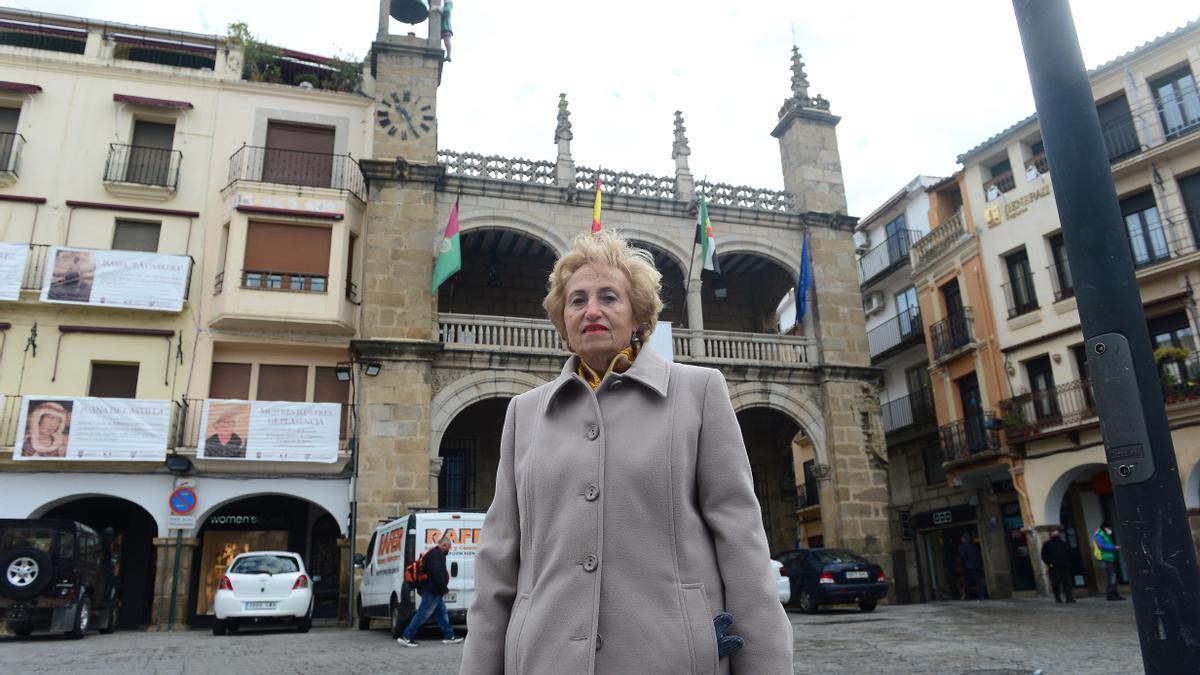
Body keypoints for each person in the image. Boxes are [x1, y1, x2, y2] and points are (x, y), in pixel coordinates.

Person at [460, 230, 792, 674]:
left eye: (609, 297)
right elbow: (498, 563)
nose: (591, 310)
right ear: (562, 320)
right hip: (545, 660)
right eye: (577, 300)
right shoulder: (524, 414)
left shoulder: (699, 393)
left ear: (639, 315)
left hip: (669, 659)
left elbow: (742, 546)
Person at [397, 535, 463, 647]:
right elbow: (438, 574)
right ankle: (406, 636)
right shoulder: (437, 555)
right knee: (423, 613)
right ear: (444, 545)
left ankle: (449, 635)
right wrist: (444, 588)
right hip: (432, 590)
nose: (449, 550)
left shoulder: (434, 553)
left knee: (441, 612)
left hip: (432, 589)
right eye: (448, 547)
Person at [1040, 528, 1074, 603]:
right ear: (1051, 535)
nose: (1055, 535)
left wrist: (1068, 563)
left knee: (1066, 582)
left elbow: (1070, 554)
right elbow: (1044, 556)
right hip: (1054, 567)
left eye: (1057, 533)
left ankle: (1069, 598)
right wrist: (1049, 564)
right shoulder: (1047, 544)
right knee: (1055, 583)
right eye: (1054, 533)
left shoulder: (1064, 543)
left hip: (1064, 566)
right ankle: (1057, 598)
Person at [1093, 521, 1124, 601]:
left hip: (1110, 558)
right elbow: (1101, 546)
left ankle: (1114, 593)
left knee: (1113, 576)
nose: (1110, 529)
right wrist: (1114, 547)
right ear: (1105, 527)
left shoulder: (1105, 534)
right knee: (1112, 576)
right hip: (1105, 558)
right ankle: (1110, 594)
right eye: (1109, 528)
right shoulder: (1099, 534)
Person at [958, 533, 984, 600]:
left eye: (962, 538)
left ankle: (967, 596)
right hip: (976, 566)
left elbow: (963, 557)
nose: (962, 539)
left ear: (964, 539)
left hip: (967, 567)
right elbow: (977, 556)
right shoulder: (973, 547)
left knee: (967, 582)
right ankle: (982, 596)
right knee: (978, 581)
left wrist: (963, 565)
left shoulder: (962, 547)